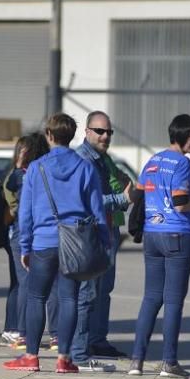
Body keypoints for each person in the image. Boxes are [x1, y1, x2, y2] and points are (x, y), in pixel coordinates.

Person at [3, 112, 108, 374]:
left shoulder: (37, 168)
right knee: (68, 298)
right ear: (72, 136)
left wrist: (25, 246)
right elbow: (97, 209)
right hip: (74, 242)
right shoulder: (85, 168)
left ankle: (31, 356)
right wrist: (104, 243)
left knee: (36, 297)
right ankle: (64, 358)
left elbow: (24, 213)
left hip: (43, 242)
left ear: (49, 135)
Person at [128, 114, 190, 379]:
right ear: (179, 135)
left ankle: (136, 361)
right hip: (178, 234)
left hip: (152, 234)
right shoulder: (183, 164)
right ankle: (169, 362)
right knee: (174, 300)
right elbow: (180, 204)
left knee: (151, 297)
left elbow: (137, 193)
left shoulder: (152, 161)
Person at [75, 110, 135, 363]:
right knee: (87, 293)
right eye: (100, 131)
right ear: (87, 132)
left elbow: (118, 185)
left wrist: (125, 190)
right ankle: (79, 349)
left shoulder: (103, 158)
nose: (105, 136)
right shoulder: (83, 160)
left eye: (109, 132)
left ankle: (97, 340)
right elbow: (88, 202)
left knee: (104, 290)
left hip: (107, 230)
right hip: (90, 233)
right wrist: (122, 198)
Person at [1, 132, 47, 350]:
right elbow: (10, 186)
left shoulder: (24, 173)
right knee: (27, 285)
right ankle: (22, 331)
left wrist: (19, 164)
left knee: (24, 284)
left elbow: (9, 186)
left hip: (22, 231)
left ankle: (21, 331)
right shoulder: (30, 173)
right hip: (28, 231)